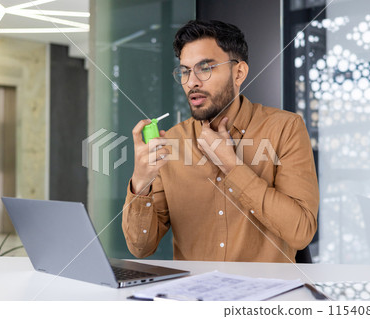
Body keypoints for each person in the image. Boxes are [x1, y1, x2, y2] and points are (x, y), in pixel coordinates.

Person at [122, 20, 319, 262]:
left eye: (205, 68)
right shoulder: (171, 142)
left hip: (264, 296)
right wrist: (141, 182)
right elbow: (141, 247)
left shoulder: (285, 128)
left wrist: (232, 166)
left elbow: (301, 232)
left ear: (239, 73)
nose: (191, 82)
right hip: (194, 296)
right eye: (185, 71)